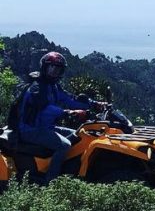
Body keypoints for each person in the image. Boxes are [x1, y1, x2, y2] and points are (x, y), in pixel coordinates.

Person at [17, 52, 105, 184]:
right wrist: (69, 113)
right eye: (51, 67)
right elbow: (45, 110)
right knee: (64, 145)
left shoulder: (53, 86)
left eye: (57, 68)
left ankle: (66, 170)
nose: (54, 71)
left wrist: (94, 104)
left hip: (46, 127)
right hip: (30, 130)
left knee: (79, 134)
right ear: (44, 67)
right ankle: (50, 182)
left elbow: (70, 99)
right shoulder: (36, 88)